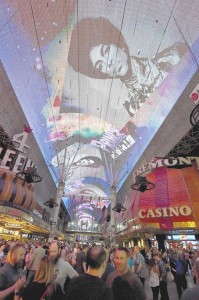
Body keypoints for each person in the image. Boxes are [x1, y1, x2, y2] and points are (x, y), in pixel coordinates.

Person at [68, 17, 187, 118]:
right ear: (103, 74)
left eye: (107, 50)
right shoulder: (132, 107)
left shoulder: (175, 55)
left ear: (118, 43)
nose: (108, 63)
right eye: (100, 65)